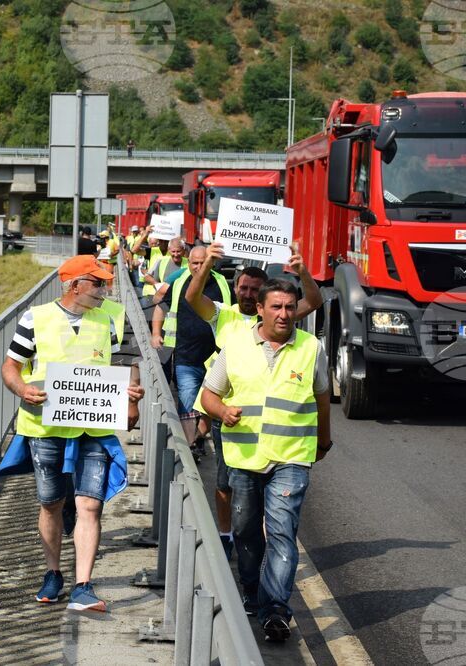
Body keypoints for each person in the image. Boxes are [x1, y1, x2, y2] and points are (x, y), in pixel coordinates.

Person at [0, 255, 145, 612]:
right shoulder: (36, 318)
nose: (103, 289)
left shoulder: (110, 318)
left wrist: (132, 399)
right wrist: (21, 389)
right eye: (97, 283)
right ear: (74, 285)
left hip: (92, 427)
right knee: (50, 503)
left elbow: (127, 365)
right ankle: (53, 573)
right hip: (45, 426)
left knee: (90, 504)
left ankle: (83, 586)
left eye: (104, 283)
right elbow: (10, 366)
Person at [200, 278, 332, 643]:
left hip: (291, 458)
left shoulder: (310, 348)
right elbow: (209, 395)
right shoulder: (236, 344)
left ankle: (275, 608)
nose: (285, 314)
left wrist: (324, 439)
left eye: (290, 307)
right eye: (276, 307)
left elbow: (322, 398)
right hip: (244, 458)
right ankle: (252, 589)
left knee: (281, 532)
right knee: (245, 531)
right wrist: (223, 410)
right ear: (260, 309)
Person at [184, 241, 323, 559]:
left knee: (260, 489)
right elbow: (192, 297)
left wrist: (302, 271)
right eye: (243, 288)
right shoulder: (223, 315)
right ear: (236, 288)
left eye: (254, 289)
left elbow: (314, 300)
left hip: (271, 418)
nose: (247, 293)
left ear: (263, 299)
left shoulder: (280, 314)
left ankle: (259, 539)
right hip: (225, 409)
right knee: (224, 480)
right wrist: (207, 264)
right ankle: (225, 533)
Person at [151, 246, 232, 457]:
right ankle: (189, 451)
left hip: (216, 357)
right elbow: (161, 307)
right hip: (186, 356)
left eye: (202, 262)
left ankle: (198, 439)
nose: (198, 267)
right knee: (187, 402)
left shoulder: (221, 283)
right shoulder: (179, 283)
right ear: (189, 264)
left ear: (211, 262)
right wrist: (155, 333)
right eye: (195, 263)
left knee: (208, 403)